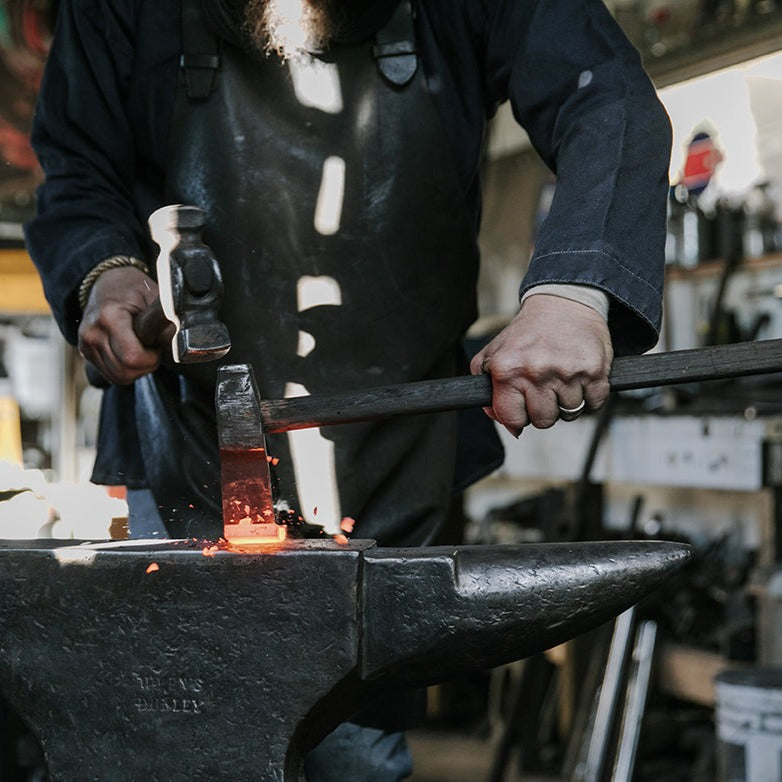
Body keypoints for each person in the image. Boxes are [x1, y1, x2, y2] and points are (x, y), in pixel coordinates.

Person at [25, 0, 671, 778]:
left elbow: (603, 94)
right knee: (181, 725)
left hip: (399, 449)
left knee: (356, 746)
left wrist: (573, 292)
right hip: (185, 437)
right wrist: (108, 274)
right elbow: (76, 168)